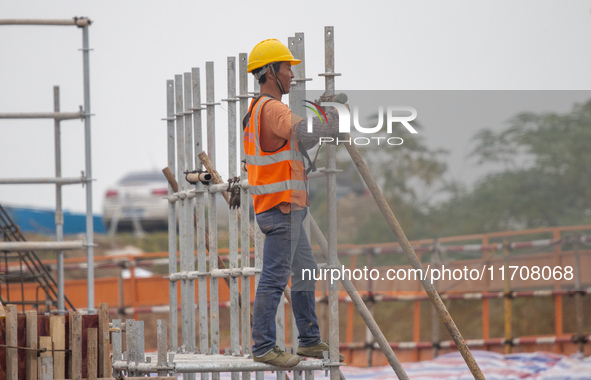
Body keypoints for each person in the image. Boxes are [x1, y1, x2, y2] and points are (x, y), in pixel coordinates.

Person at [243, 38, 344, 368]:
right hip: (281, 207)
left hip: (286, 208)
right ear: (271, 71)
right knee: (274, 277)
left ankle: (310, 340)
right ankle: (263, 346)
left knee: (305, 268)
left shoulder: (256, 110)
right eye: (287, 68)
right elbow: (307, 134)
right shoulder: (272, 109)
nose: (291, 75)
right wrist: (331, 116)